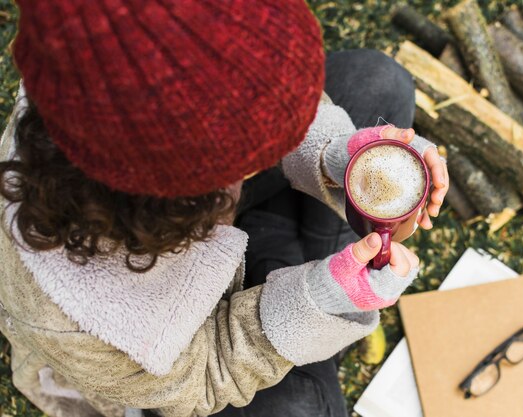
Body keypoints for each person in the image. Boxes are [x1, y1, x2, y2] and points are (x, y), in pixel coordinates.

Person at [0, 1, 449, 417]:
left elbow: (259, 97)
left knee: (378, 82)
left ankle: (311, 256)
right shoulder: (73, 316)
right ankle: (302, 269)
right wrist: (311, 305)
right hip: (195, 332)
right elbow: (204, 375)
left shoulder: (126, 73)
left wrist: (339, 158)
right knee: (302, 406)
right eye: (267, 146)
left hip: (205, 216)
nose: (282, 143)